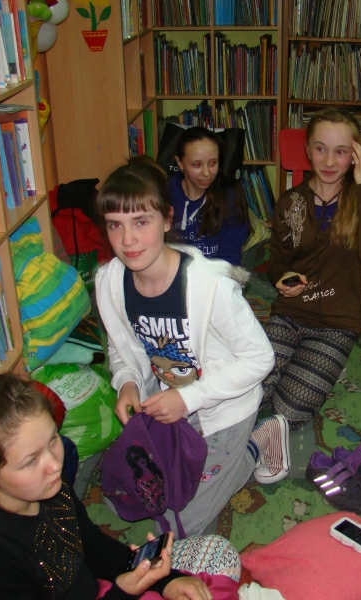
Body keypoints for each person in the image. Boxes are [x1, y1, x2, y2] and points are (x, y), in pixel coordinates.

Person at [94, 157, 286, 537]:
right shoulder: (110, 282)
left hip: (223, 408)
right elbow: (122, 348)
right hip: (167, 401)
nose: (127, 240)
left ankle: (255, 444)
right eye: (115, 224)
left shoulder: (210, 286)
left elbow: (261, 358)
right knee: (129, 496)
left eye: (141, 222)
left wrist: (189, 398)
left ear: (167, 219)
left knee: (181, 524)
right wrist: (128, 383)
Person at [0, 369, 227, 600]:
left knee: (218, 554)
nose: (55, 464)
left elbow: (90, 545)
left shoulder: (46, 488)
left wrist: (164, 579)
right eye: (31, 461)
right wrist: (123, 593)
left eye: (52, 440)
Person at [262, 108, 361, 430]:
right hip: (290, 312)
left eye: (341, 151)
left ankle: (321, 363)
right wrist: (281, 276)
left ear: (356, 155)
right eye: (321, 149)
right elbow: (277, 258)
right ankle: (309, 365)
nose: (329, 161)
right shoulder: (290, 201)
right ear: (308, 150)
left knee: (289, 411)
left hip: (337, 322)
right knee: (249, 391)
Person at [169, 127, 249, 266]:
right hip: (173, 273)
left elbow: (230, 255)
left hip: (215, 273)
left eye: (212, 163)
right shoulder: (164, 195)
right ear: (180, 163)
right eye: (197, 165)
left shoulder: (230, 195)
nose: (206, 173)